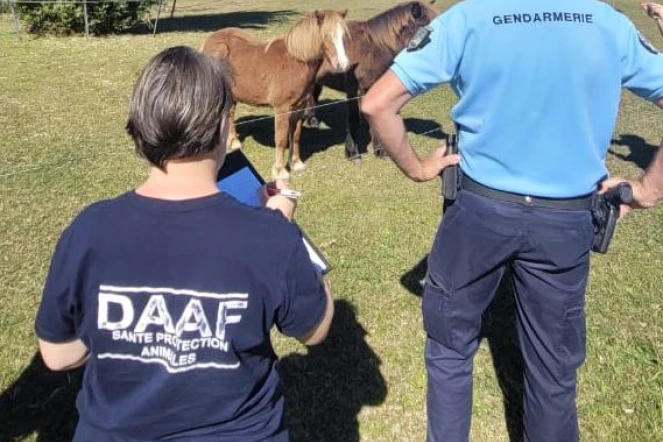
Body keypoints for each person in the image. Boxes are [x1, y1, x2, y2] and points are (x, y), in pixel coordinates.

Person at [361, 0, 663, 441]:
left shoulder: (469, 17)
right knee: (553, 370)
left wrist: (417, 168)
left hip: (480, 212)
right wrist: (649, 190)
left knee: (450, 350)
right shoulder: (605, 22)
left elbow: (376, 104)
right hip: (566, 221)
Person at [34, 45, 334, 442]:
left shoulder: (89, 228)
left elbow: (58, 355)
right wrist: (282, 227)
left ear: (140, 127)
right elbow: (314, 329)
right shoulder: (269, 235)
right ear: (223, 129)